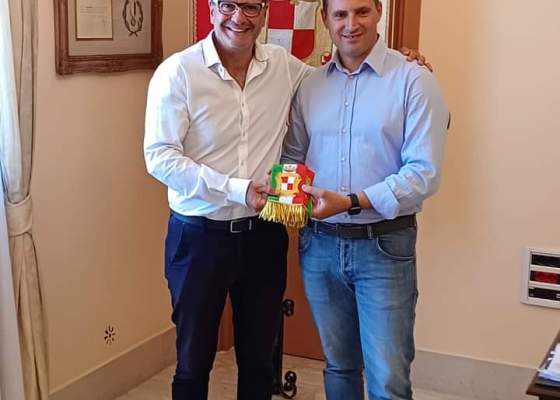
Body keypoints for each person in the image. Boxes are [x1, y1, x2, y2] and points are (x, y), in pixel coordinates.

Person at [144, 0, 428, 397]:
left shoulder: (282, 65)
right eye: (228, 5)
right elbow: (160, 157)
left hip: (263, 236)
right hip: (198, 238)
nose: (238, 17)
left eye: (250, 7)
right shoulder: (179, 72)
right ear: (211, 9)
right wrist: (236, 188)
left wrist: (402, 63)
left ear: (263, 13)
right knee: (193, 363)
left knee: (260, 361)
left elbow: (342, 80)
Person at [281, 0, 449, 398]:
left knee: (388, 379)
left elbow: (423, 173)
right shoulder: (310, 84)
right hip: (319, 245)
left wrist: (352, 202)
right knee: (338, 367)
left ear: (379, 12)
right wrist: (286, 208)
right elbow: (292, 157)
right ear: (325, 19)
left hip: (384, 246)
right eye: (340, 14)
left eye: (362, 12)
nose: (351, 24)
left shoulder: (413, 80)